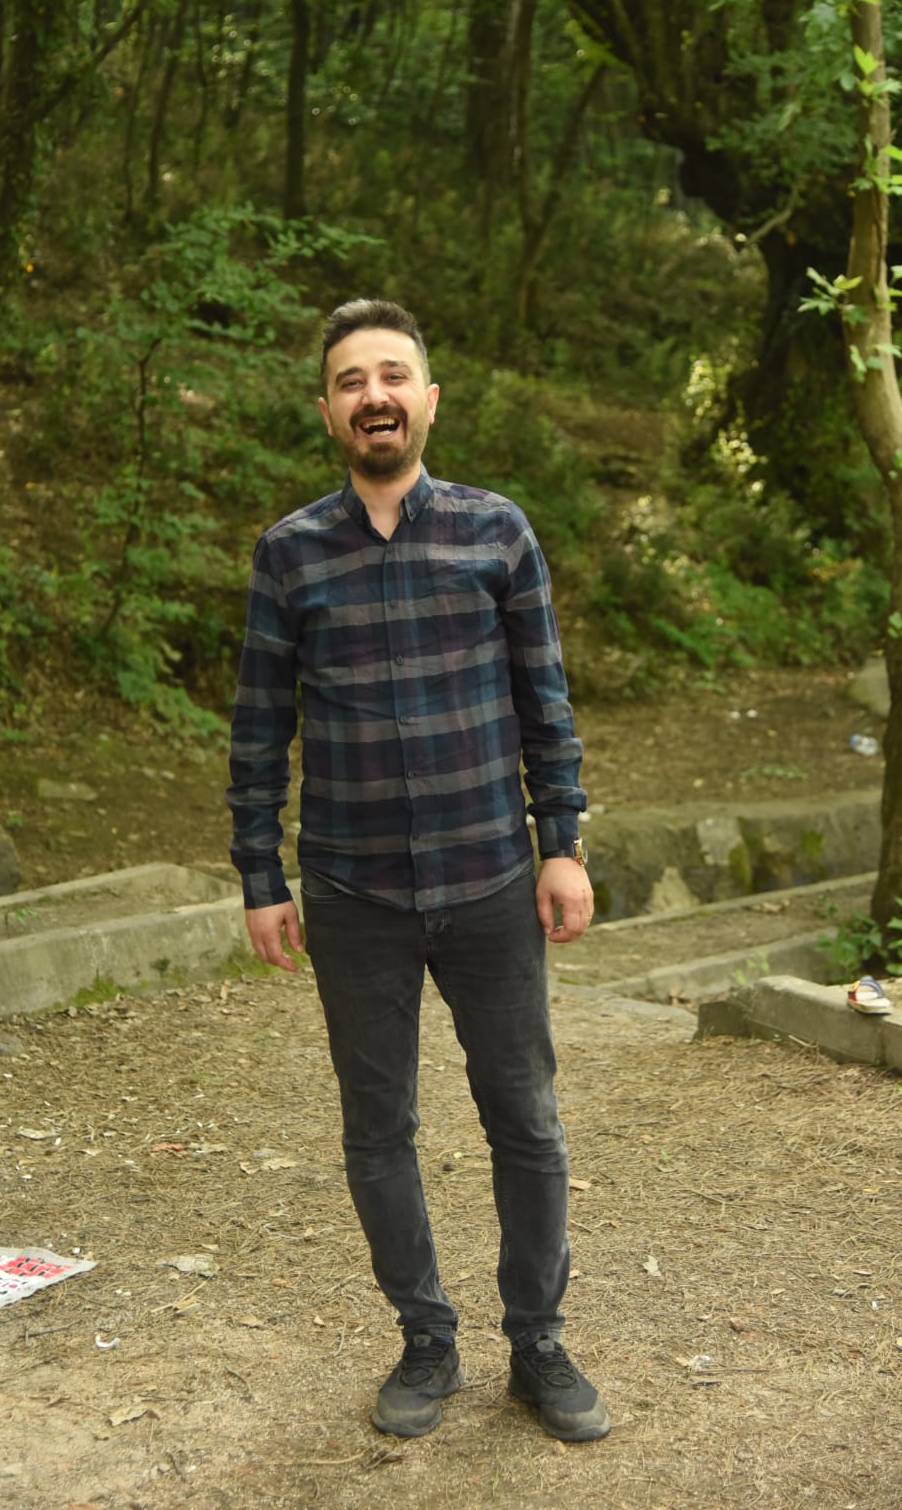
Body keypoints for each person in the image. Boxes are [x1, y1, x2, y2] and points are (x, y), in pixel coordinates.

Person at [226, 298, 609, 1443]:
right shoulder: (289, 553)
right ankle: (426, 1339)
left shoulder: (498, 532)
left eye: (392, 375)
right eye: (352, 381)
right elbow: (258, 728)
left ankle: (537, 1342)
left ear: (428, 399)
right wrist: (259, 873)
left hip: (491, 878)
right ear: (327, 411)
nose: (374, 396)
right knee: (376, 1128)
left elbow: (545, 702)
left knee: (525, 1119)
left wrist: (562, 843)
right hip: (352, 896)